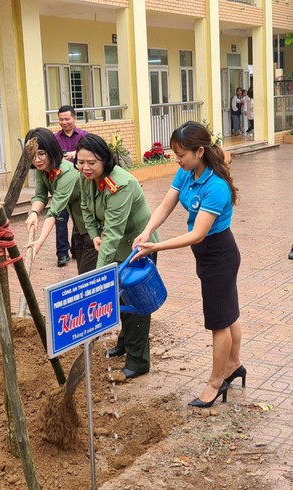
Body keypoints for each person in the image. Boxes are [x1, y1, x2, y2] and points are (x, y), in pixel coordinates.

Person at [133, 121, 243, 408]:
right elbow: (165, 205)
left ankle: (216, 382)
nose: (177, 159)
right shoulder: (188, 173)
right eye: (175, 154)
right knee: (228, 311)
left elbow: (197, 234)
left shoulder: (215, 187)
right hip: (207, 254)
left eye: (181, 154)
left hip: (219, 253)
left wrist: (156, 246)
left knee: (219, 320)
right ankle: (234, 365)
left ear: (200, 151)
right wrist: (147, 231)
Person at [77, 134, 160, 379]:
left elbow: (113, 233)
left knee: (137, 305)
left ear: (104, 160)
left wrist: (97, 276)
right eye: (80, 162)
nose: (85, 168)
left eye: (91, 162)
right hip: (114, 250)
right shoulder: (87, 179)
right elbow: (85, 208)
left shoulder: (120, 184)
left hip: (138, 250)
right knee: (121, 301)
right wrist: (93, 234)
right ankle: (124, 344)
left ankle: (138, 361)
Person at [24, 127, 97, 275]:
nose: (37, 160)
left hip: (94, 226)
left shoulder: (67, 172)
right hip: (80, 226)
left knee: (88, 276)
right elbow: (40, 196)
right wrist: (33, 213)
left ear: (50, 150)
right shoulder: (42, 169)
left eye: (41, 154)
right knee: (84, 274)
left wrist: (40, 241)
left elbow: (55, 210)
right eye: (33, 155)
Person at [53, 106, 88, 267]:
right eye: (61, 119)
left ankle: (76, 250)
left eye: (67, 119)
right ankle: (62, 253)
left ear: (74, 118)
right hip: (60, 185)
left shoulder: (83, 136)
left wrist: (75, 154)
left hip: (80, 186)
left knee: (78, 218)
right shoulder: (54, 139)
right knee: (60, 219)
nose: (64, 122)